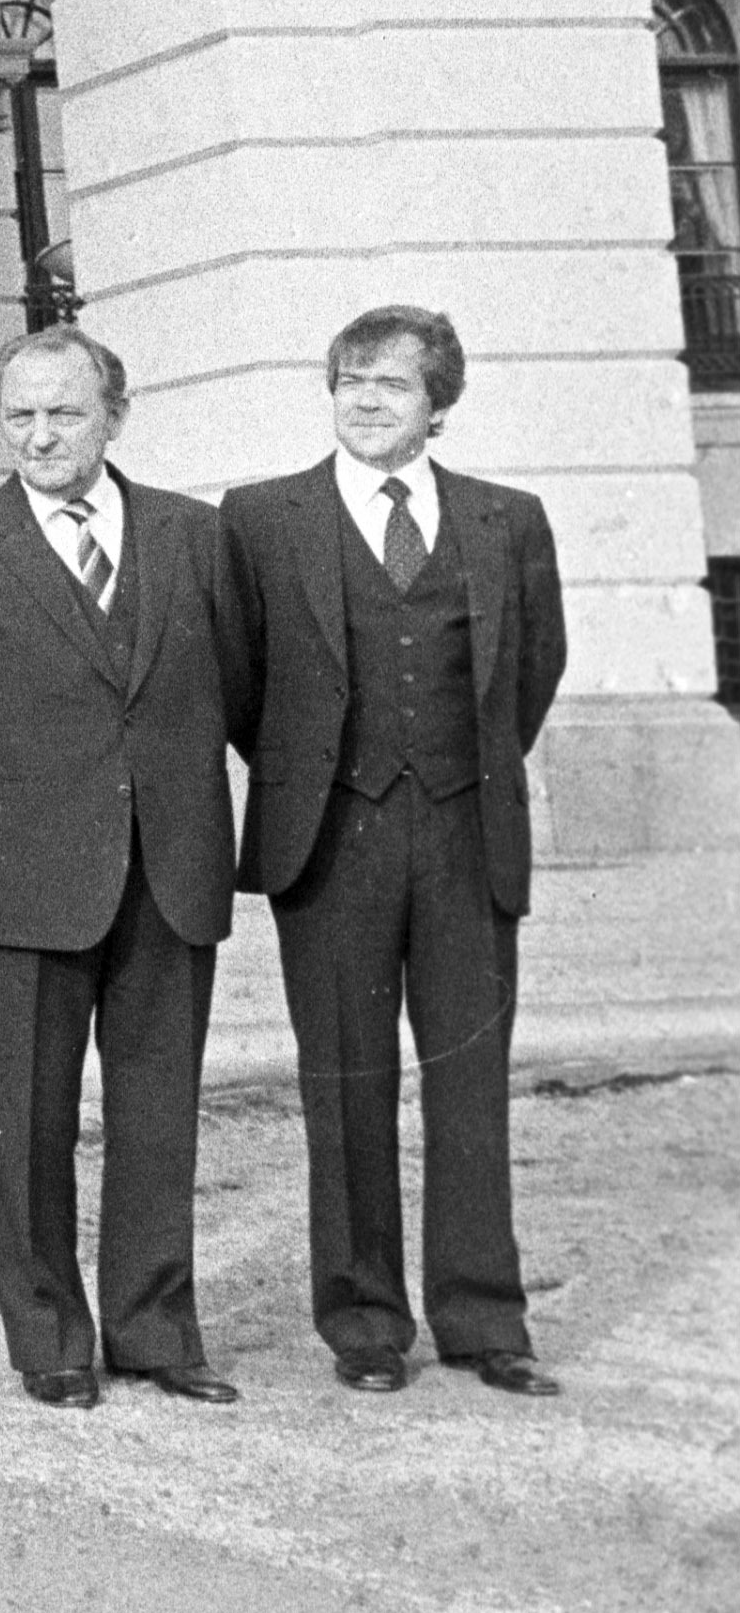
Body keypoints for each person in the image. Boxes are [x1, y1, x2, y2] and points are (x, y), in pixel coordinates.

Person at [0, 324, 258, 1411]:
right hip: (19, 883)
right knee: (28, 1120)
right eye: (20, 416)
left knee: (159, 1116)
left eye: (64, 413)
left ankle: (155, 1330)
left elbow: (238, 690)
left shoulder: (195, 536)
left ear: (115, 414)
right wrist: (5, 833)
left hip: (170, 872)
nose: (41, 435)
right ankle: (49, 1339)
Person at [222, 305, 571, 1397]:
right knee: (346, 1083)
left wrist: (456, 772)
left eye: (393, 384)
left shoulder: (506, 519)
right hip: (332, 838)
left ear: (440, 406)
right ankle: (366, 1322)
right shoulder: (263, 517)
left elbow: (533, 667)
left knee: (469, 1082)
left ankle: (483, 1318)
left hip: (467, 834)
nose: (367, 400)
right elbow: (242, 680)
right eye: (350, 380)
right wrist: (328, 771)